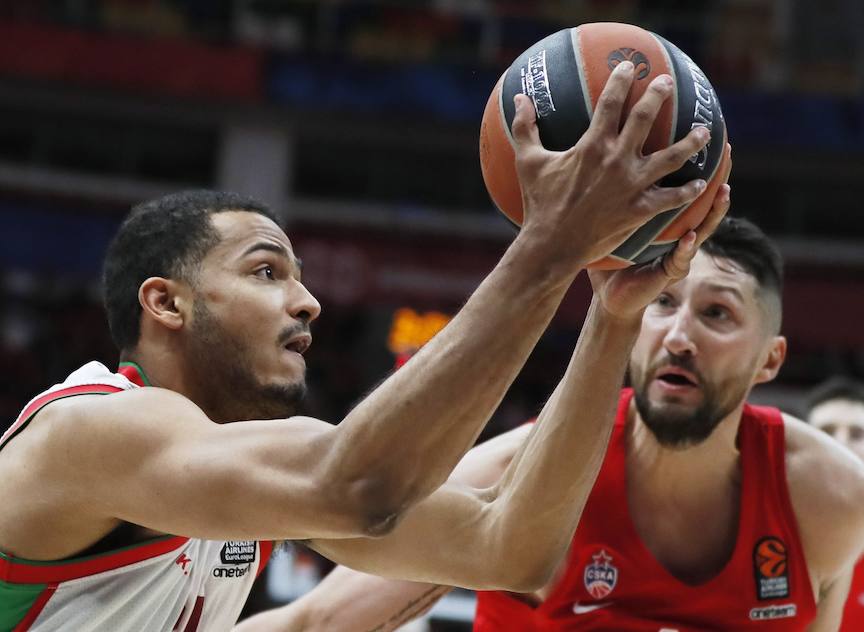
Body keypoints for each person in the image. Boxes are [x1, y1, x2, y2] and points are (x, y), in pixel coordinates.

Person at [0, 63, 724, 631]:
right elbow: (357, 488)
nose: (307, 301)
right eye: (265, 271)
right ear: (165, 303)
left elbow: (509, 549)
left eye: (298, 277)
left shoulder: (238, 474)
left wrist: (611, 318)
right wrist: (550, 248)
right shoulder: (92, 430)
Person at [237, 217, 864, 632]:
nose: (679, 335)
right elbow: (315, 621)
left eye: (717, 314)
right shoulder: (520, 475)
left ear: (771, 359)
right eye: (662, 304)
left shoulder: (827, 499)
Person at [806, 377, 864, 630]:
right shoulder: (766, 541)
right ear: (797, 455)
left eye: (857, 434)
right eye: (826, 431)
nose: (841, 443)